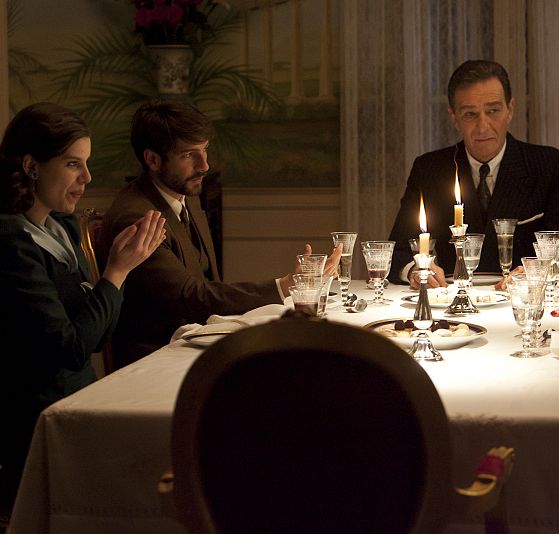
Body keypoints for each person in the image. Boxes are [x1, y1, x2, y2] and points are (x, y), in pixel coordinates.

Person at [0, 103, 165, 514]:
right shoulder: (11, 241)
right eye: (74, 164)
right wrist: (117, 271)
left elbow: (98, 334)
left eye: (86, 164)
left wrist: (115, 276)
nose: (87, 178)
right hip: (38, 420)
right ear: (31, 166)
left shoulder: (61, 226)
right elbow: (72, 349)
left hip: (82, 398)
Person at [101, 100, 341, 367]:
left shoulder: (186, 196)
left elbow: (206, 288)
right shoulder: (137, 217)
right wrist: (285, 286)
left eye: (204, 150)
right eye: (188, 155)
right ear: (152, 160)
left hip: (198, 345)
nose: (204, 165)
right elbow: (190, 297)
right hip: (156, 360)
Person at [387, 60, 559, 288]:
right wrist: (416, 270)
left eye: (493, 111)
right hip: (452, 300)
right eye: (470, 114)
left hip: (522, 299)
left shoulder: (547, 165)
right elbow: (398, 253)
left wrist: (535, 272)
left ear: (510, 109)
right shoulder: (430, 170)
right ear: (454, 117)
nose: (483, 126)